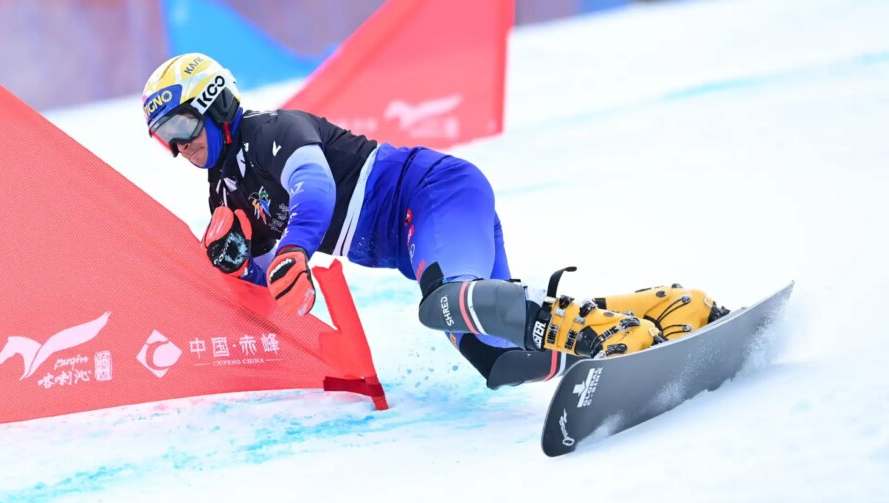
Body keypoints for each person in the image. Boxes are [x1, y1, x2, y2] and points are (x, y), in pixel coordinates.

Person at [142, 53, 730, 387]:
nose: (178, 148)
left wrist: (291, 249)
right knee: (496, 358)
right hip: (419, 240)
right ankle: (660, 310)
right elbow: (278, 286)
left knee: (446, 302)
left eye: (180, 128)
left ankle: (611, 341)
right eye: (163, 141)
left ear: (215, 104)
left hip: (435, 193)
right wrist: (243, 265)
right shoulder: (224, 189)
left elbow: (314, 188)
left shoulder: (269, 130)